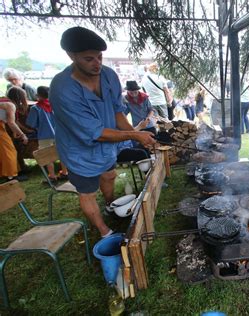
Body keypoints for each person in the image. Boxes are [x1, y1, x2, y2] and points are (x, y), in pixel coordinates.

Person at [49, 26, 156, 238]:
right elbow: (95, 133)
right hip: (79, 150)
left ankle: (109, 205)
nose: (97, 63)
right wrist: (135, 135)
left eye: (99, 57)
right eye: (89, 59)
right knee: (87, 192)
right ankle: (104, 231)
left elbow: (117, 113)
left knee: (109, 175)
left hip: (106, 146)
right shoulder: (62, 89)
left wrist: (137, 136)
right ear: (72, 56)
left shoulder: (108, 76)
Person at [26, 86, 68, 182]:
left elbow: (31, 123)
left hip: (44, 135)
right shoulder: (56, 105)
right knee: (61, 153)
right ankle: (65, 173)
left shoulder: (35, 108)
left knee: (47, 156)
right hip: (60, 133)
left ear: (37, 95)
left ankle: (52, 176)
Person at [6, 86, 38, 175]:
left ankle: (20, 167)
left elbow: (15, 121)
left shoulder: (11, 104)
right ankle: (18, 170)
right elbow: (13, 122)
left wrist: (26, 130)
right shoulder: (10, 105)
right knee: (13, 148)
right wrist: (24, 133)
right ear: (19, 97)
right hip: (5, 130)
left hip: (8, 128)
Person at [0, 98, 28, 182]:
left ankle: (4, 173)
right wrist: (23, 135)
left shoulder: (4, 103)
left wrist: (15, 132)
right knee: (9, 151)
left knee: (2, 151)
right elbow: (11, 123)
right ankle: (11, 176)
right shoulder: (10, 105)